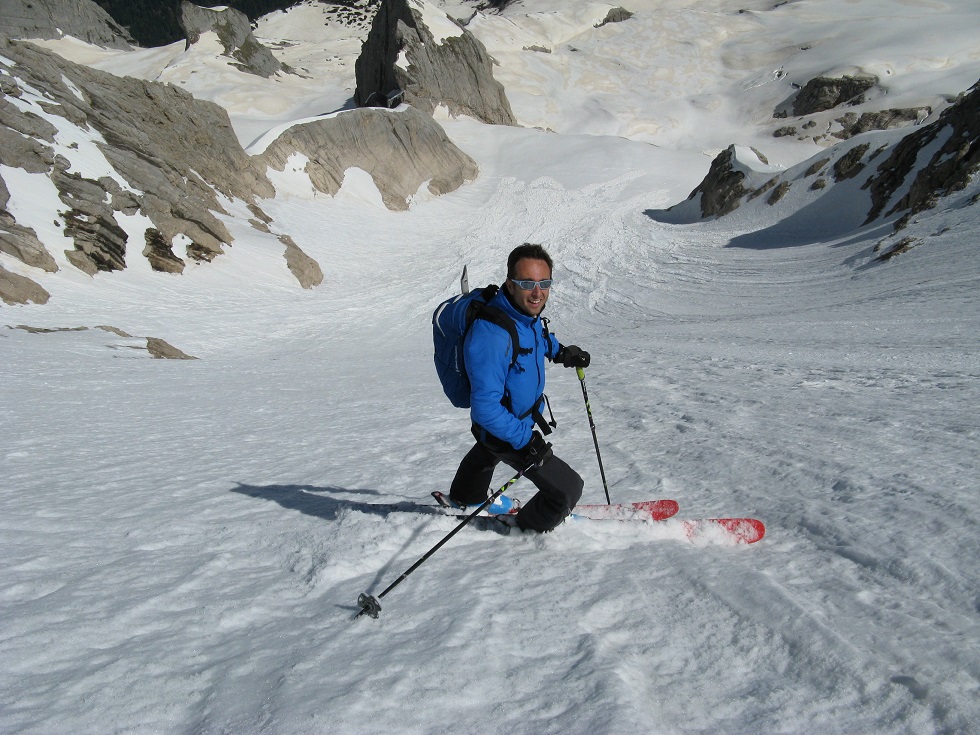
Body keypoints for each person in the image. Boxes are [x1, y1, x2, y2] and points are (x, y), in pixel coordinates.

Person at [448, 243, 591, 532]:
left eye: (544, 283)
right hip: (503, 426)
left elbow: (535, 337)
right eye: (527, 283)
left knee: (486, 453)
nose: (537, 293)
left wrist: (561, 352)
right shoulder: (492, 336)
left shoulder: (524, 315)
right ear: (510, 285)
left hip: (515, 418)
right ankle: (524, 530)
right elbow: (486, 410)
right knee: (568, 489)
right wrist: (527, 441)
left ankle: (465, 497)